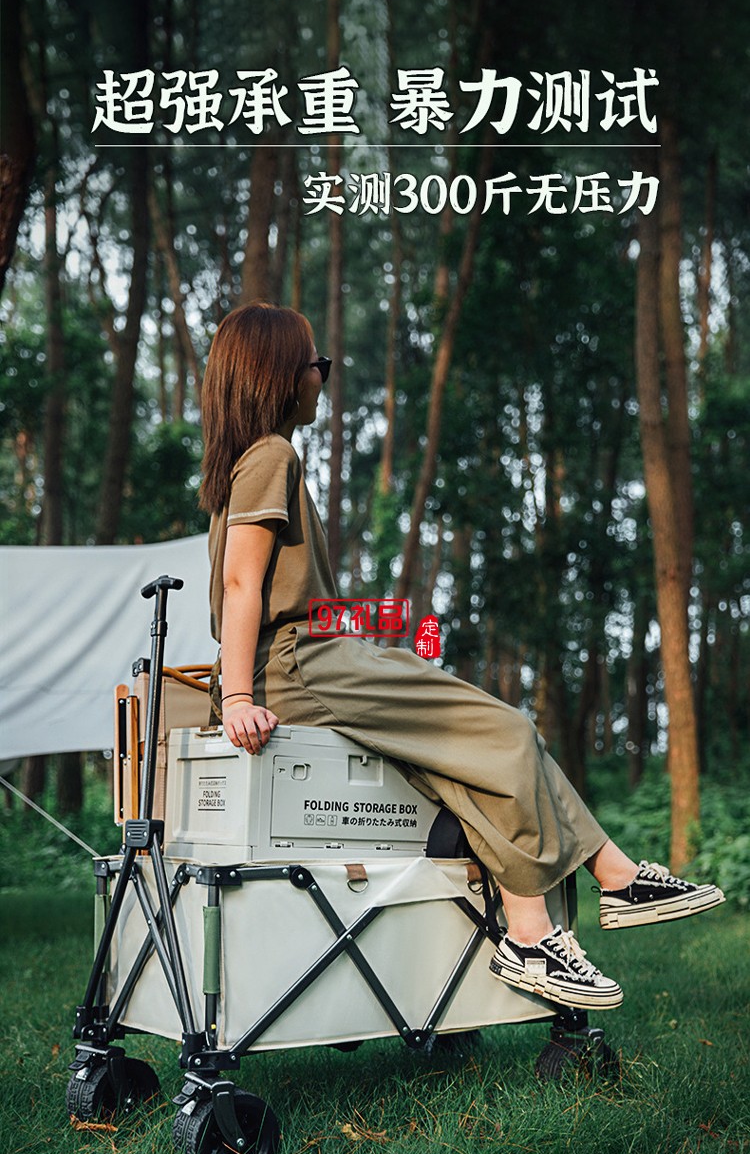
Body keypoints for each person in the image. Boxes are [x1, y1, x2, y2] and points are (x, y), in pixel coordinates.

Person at [200, 302, 724, 1013]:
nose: (324, 376)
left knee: (481, 752)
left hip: (313, 655)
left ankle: (560, 915)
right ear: (281, 376)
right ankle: (584, 901)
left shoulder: (252, 460)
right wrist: (235, 698)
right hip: (299, 663)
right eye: (317, 363)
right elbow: (240, 584)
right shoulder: (271, 456)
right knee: (504, 730)